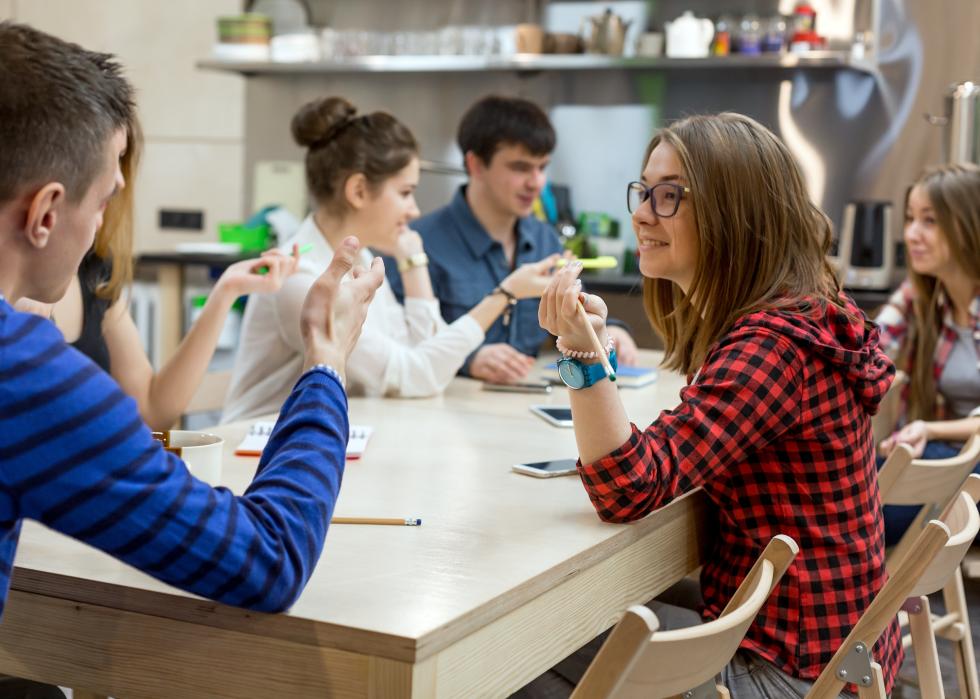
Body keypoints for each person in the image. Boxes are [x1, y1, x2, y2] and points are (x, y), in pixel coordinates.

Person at [0, 21, 382, 698]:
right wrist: (323, 362)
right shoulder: (22, 373)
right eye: (106, 197)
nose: (103, 224)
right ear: (46, 214)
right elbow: (267, 558)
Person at [530, 113, 902, 697]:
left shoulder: (770, 346)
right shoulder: (800, 311)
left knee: (524, 657)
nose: (643, 213)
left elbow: (627, 487)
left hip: (792, 671)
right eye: (645, 190)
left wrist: (580, 351)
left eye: (671, 195)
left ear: (736, 213)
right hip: (850, 652)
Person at [221, 96, 557, 422]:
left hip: (315, 449)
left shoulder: (361, 260)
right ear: (358, 192)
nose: (414, 210)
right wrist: (504, 295)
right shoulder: (304, 281)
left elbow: (427, 357)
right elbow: (415, 378)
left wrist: (413, 265)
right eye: (405, 193)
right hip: (257, 461)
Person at [16, 113, 300, 431]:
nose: (121, 181)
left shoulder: (96, 274)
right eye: (114, 158)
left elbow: (151, 411)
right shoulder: (16, 306)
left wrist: (225, 292)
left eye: (124, 159)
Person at [387, 95, 638, 385]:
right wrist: (469, 359)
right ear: (476, 165)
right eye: (520, 168)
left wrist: (612, 330)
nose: (536, 182)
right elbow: (400, 350)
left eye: (542, 167)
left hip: (528, 412)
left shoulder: (544, 240)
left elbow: (577, 309)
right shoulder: (418, 245)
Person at [875, 163, 980, 544]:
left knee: (860, 511)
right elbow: (871, 347)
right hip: (954, 460)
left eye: (930, 221)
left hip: (962, 462)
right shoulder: (922, 296)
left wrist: (929, 428)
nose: (911, 234)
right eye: (910, 219)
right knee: (858, 485)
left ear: (968, 225)